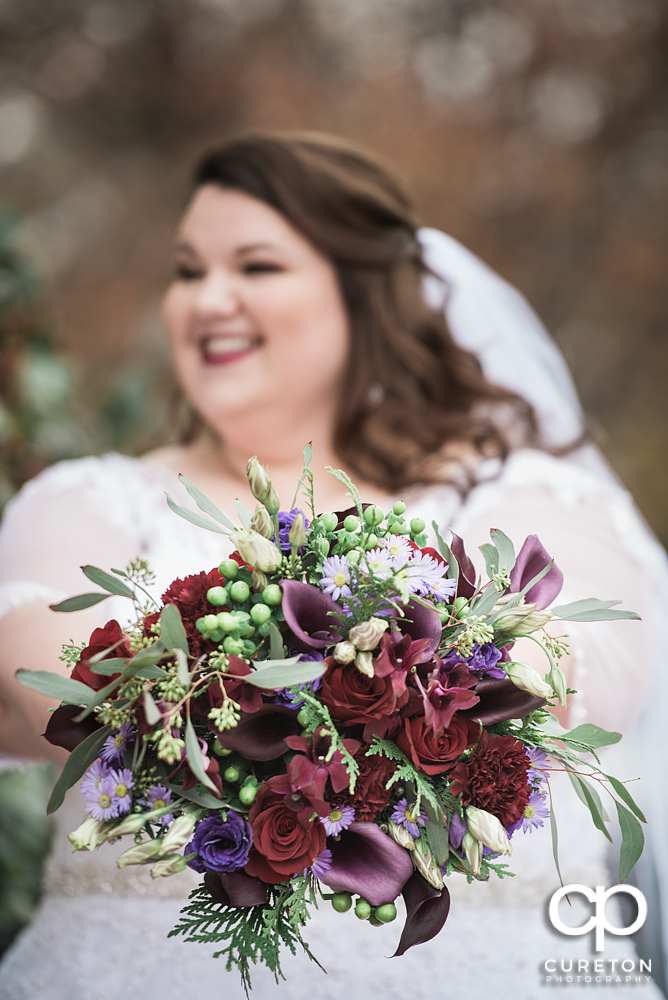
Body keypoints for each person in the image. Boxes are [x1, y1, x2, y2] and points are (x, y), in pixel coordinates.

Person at [0, 132, 666, 1000]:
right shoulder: (93, 497)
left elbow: (588, 668)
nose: (209, 299)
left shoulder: (520, 493)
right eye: (189, 270)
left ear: (362, 294)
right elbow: (29, 669)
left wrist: (440, 686)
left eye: (257, 266)